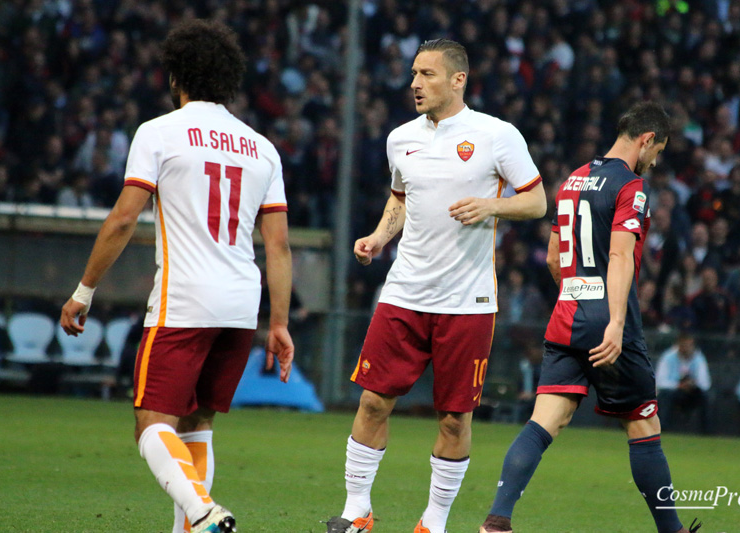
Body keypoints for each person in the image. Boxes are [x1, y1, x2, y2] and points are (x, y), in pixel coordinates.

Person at [59, 20, 294, 533]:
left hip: (184, 299)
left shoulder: (159, 132)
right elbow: (276, 245)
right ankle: (192, 525)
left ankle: (204, 511)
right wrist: (279, 322)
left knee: (150, 423)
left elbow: (123, 219)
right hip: (241, 304)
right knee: (198, 422)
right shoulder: (261, 148)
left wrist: (84, 290)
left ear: (175, 77)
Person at [325, 39, 547, 533]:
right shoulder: (400, 138)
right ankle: (356, 510)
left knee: (453, 418)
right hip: (404, 293)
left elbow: (536, 203)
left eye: (426, 74)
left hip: (468, 301)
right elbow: (401, 198)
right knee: (372, 401)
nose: (415, 84)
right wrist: (380, 236)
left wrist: (491, 205)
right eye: (413, 74)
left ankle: (433, 522)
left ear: (457, 80)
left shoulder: (496, 135)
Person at [480, 102, 701, 533]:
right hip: (607, 318)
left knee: (546, 420)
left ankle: (496, 521)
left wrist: (578, 293)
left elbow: (553, 257)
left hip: (567, 312)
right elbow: (620, 254)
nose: (655, 161)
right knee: (643, 423)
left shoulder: (572, 179)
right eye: (657, 151)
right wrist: (614, 321)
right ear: (646, 139)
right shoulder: (631, 186)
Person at [655, 331, 712, 433]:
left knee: (706, 396)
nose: (686, 348)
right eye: (683, 345)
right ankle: (663, 428)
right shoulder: (668, 357)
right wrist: (679, 385)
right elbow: (660, 381)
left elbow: (705, 383)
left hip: (692, 393)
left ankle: (707, 431)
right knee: (664, 395)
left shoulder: (699, 359)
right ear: (678, 345)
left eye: (688, 345)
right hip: (674, 392)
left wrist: (692, 385)